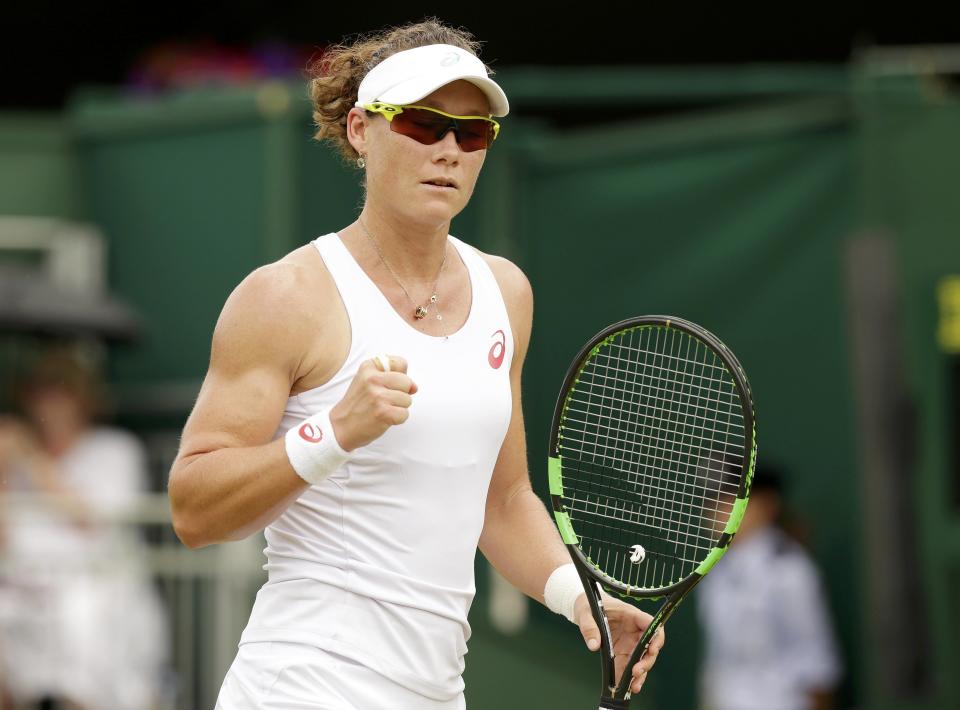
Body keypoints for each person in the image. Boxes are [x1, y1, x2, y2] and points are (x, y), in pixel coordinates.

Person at [167, 18, 665, 710]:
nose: (449, 150)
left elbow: (502, 500)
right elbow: (193, 509)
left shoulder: (506, 292)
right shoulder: (285, 295)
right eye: (423, 125)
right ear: (362, 131)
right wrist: (332, 433)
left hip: (435, 694)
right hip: (302, 686)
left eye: (472, 133)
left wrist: (578, 597)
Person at [0, 348, 168, 709]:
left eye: (61, 391)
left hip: (100, 588)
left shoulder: (115, 449)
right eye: (40, 392)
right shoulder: (11, 458)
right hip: (21, 589)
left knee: (85, 627)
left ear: (84, 398)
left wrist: (30, 459)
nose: (50, 404)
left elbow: (90, 520)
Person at [697, 463, 842, 710]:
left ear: (766, 505)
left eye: (730, 500)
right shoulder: (716, 573)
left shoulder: (791, 571)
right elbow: (717, 663)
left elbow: (817, 666)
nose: (717, 512)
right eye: (714, 502)